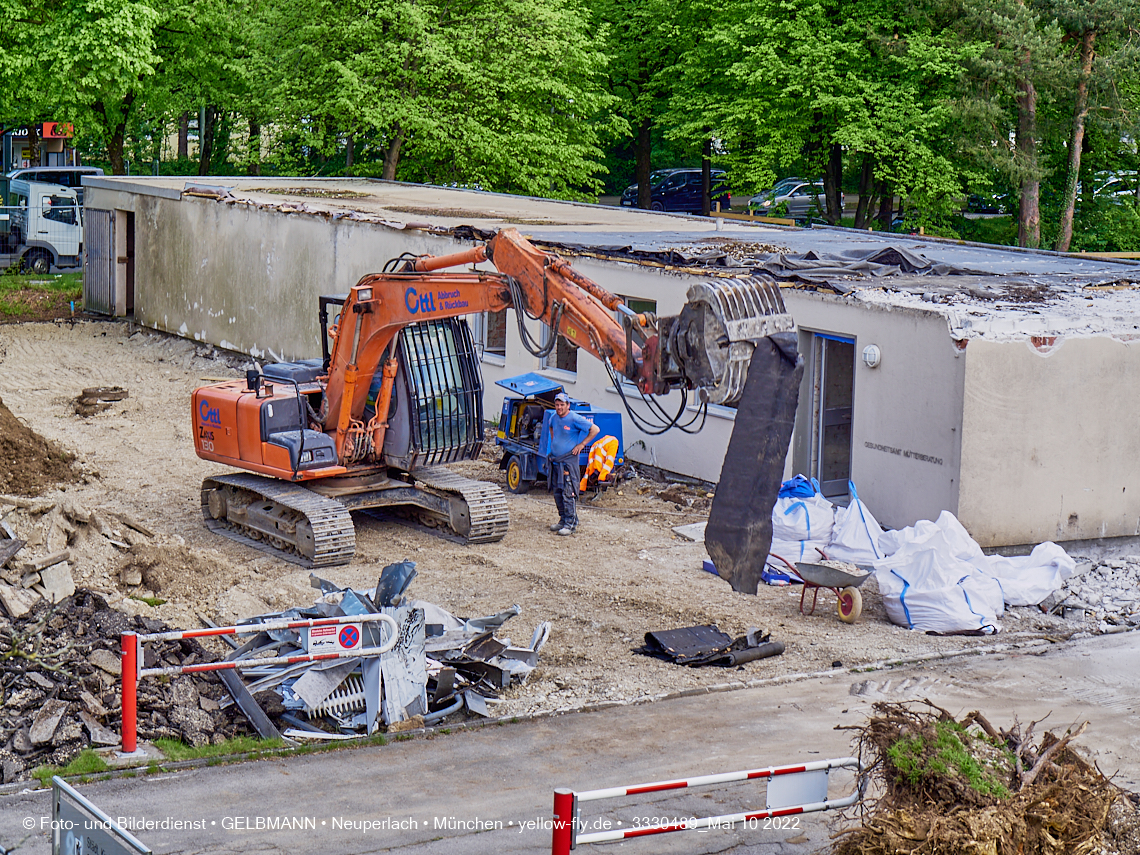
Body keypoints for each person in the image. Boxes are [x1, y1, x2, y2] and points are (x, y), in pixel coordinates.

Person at [547, 392, 599, 535]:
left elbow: (595, 429)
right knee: (557, 492)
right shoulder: (553, 418)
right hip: (556, 461)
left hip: (568, 462)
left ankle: (570, 523)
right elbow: (551, 427)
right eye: (557, 405)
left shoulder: (574, 418)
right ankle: (563, 520)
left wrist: (581, 445)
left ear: (568, 405)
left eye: (562, 405)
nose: (559, 408)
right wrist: (554, 442)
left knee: (568, 492)